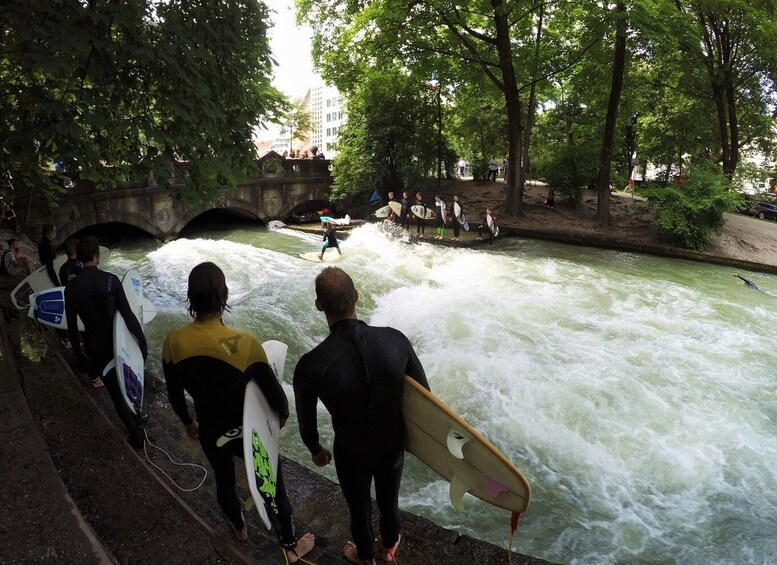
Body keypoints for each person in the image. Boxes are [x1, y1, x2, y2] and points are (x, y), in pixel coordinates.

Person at [163, 262, 315, 560]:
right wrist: (275, 426)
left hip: (211, 431)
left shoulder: (173, 342)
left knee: (223, 480)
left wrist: (188, 422)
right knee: (272, 488)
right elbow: (280, 404)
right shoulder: (245, 345)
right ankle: (290, 548)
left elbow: (174, 394)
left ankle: (239, 528)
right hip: (250, 433)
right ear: (225, 296)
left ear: (190, 298)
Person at [293, 267, 429, 565]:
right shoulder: (396, 341)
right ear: (356, 296)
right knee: (389, 502)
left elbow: (306, 422)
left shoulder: (310, 365)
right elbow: (425, 399)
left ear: (319, 305)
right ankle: (389, 547)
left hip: (351, 451)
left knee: (359, 510)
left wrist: (315, 449)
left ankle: (365, 557)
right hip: (391, 445)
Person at [65, 236, 147, 448]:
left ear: (81, 258)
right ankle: (137, 418)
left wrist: (78, 355)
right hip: (118, 343)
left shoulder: (71, 288)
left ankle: (135, 434)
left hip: (95, 348)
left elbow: (72, 327)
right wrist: (142, 343)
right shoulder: (111, 280)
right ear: (97, 256)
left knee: (114, 391)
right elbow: (128, 316)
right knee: (129, 381)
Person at [38, 223, 60, 287]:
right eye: (54, 231)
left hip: (45, 273)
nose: (56, 233)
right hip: (51, 276)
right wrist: (57, 284)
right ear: (49, 232)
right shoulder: (49, 246)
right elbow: (50, 267)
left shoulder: (41, 244)